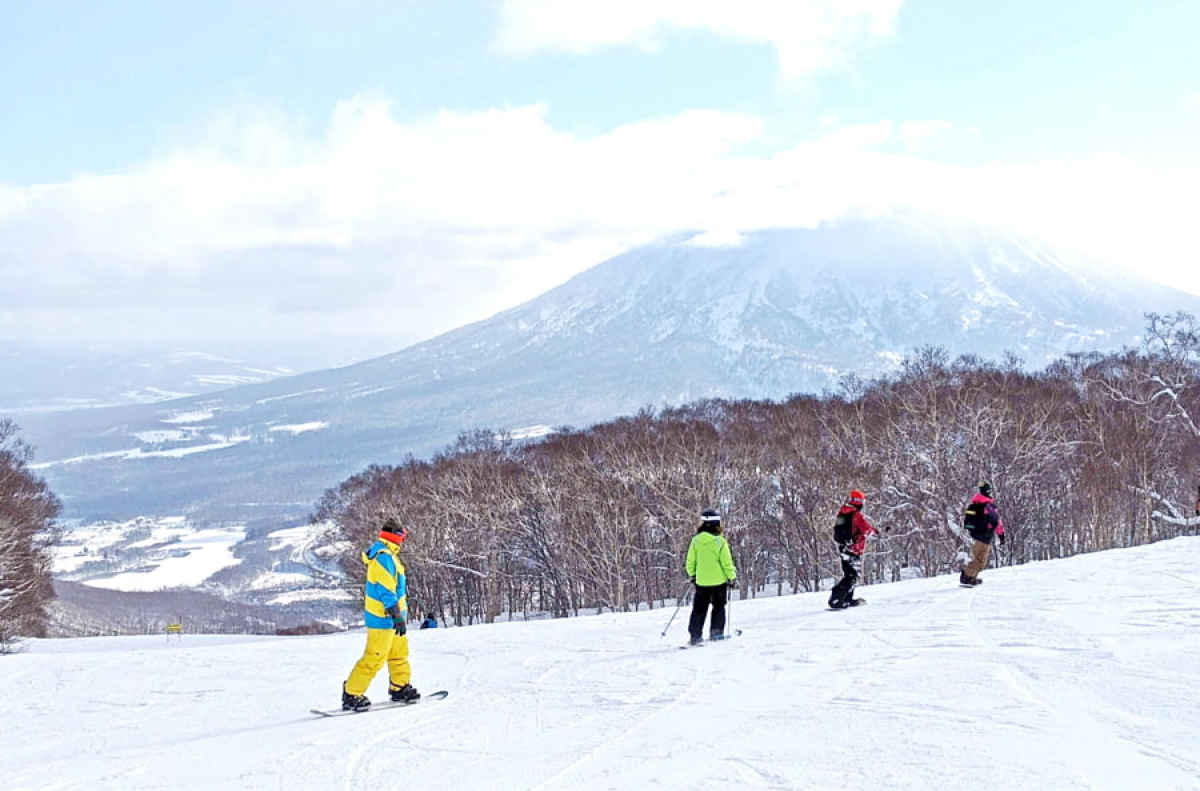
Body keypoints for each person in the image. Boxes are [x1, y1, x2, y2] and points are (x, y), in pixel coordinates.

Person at [341, 518, 421, 710]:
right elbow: (386, 589)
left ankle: (399, 687)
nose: (403, 540)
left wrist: (399, 615)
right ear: (393, 536)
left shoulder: (391, 555)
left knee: (398, 653)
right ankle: (352, 692)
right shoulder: (383, 557)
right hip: (382, 618)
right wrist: (395, 614)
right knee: (375, 656)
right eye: (402, 536)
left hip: (395, 617)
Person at [685, 509, 738, 645]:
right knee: (719, 606)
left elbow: (691, 560)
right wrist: (731, 577)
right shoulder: (720, 542)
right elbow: (727, 562)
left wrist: (692, 575)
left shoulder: (696, 541)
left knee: (699, 608)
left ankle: (695, 635)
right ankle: (716, 631)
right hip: (719, 581)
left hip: (701, 581)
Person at [828, 489, 879, 609]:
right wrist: (876, 533)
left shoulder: (843, 513)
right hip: (853, 548)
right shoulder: (855, 515)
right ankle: (836, 599)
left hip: (844, 547)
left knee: (850, 574)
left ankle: (846, 598)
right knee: (853, 575)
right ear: (859, 502)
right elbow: (866, 529)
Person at [960, 481, 1005, 587]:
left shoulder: (975, 504)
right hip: (984, 537)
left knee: (977, 559)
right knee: (981, 563)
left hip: (974, 536)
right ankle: (966, 577)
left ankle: (972, 578)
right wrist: (1001, 535)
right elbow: (997, 522)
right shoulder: (988, 506)